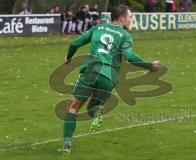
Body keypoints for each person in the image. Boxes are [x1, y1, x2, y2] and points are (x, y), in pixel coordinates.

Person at [57, 4, 162, 154]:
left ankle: (67, 146)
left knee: (73, 107)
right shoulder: (125, 36)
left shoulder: (98, 28)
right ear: (122, 18)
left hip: (91, 71)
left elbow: (75, 43)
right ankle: (97, 113)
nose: (131, 19)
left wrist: (68, 57)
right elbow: (130, 57)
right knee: (93, 107)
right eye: (130, 16)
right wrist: (150, 65)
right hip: (109, 77)